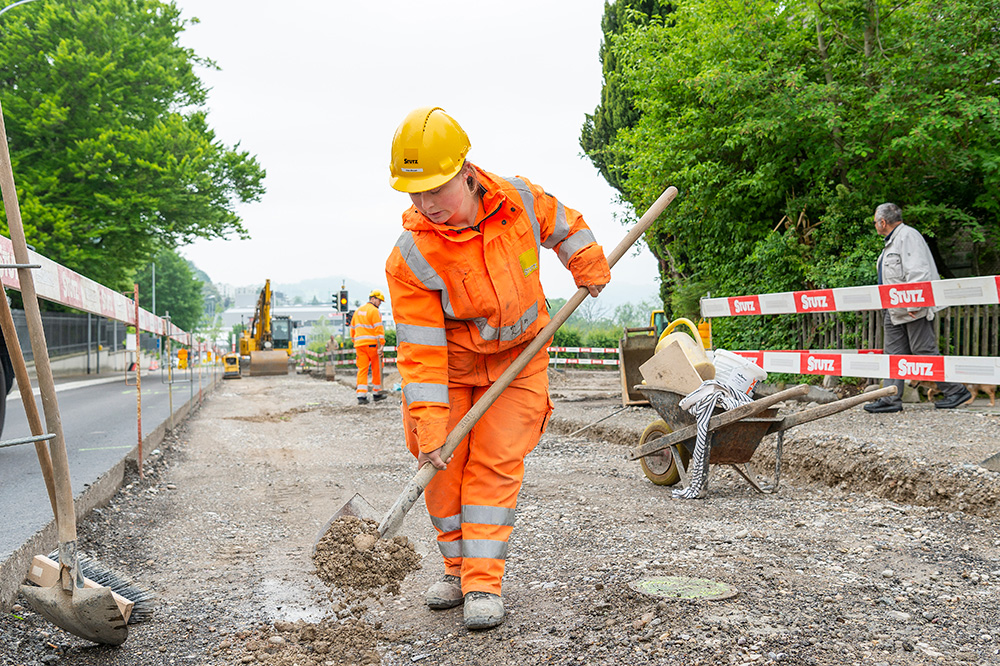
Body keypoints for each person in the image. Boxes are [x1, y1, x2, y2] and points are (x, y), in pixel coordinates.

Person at [384, 107, 611, 630]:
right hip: (453, 371)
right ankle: (454, 567)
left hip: (522, 358)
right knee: (440, 466)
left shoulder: (519, 200)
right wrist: (430, 422)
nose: (425, 204)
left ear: (465, 170)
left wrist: (586, 260)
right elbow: (421, 350)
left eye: (435, 189)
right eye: (413, 193)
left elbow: (564, 224)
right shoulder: (411, 256)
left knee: (495, 462)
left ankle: (482, 581)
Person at [863, 203, 971, 413]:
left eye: (875, 221)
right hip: (894, 309)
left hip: (910, 306)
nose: (875, 225)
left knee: (923, 350)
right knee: (894, 354)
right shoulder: (892, 242)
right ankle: (891, 399)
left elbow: (918, 272)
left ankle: (956, 390)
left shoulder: (908, 237)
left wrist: (915, 302)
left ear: (883, 222)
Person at [349, 290, 386, 404]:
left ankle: (361, 396)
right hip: (373, 345)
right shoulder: (374, 311)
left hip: (360, 346)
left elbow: (352, 330)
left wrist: (355, 342)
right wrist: (382, 344)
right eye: (379, 300)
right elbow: (379, 330)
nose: (380, 303)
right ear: (373, 299)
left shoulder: (358, 311)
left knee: (362, 370)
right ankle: (377, 393)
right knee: (377, 368)